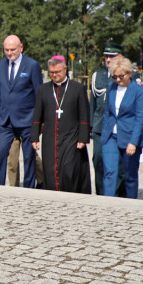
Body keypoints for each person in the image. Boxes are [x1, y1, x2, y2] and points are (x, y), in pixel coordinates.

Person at [31, 56, 91, 193]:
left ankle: (70, 195)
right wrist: (34, 137)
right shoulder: (44, 89)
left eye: (57, 72)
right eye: (51, 72)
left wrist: (83, 138)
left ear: (65, 69)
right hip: (50, 138)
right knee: (51, 170)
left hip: (71, 137)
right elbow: (37, 116)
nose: (54, 75)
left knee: (69, 169)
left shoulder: (77, 88)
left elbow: (84, 115)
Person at [0, 35, 43, 188]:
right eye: (6, 50)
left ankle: (29, 187)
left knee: (29, 157)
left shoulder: (32, 66)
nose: (9, 53)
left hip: (27, 120)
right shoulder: (0, 65)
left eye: (12, 49)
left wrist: (38, 122)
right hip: (6, 121)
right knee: (1, 153)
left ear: (21, 47)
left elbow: (39, 95)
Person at [100, 56, 143, 197]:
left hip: (129, 136)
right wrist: (105, 131)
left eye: (121, 76)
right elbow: (108, 112)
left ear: (129, 73)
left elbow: (140, 119)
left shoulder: (139, 91)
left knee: (130, 175)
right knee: (110, 172)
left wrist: (133, 142)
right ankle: (108, 203)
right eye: (114, 77)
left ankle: (130, 203)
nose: (118, 80)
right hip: (110, 137)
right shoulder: (111, 87)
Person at [90, 42, 125, 195]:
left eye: (112, 56)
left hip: (120, 127)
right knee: (98, 160)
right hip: (100, 126)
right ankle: (101, 193)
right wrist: (89, 127)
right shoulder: (98, 76)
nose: (108, 59)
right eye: (106, 56)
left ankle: (117, 194)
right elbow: (92, 103)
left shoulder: (129, 75)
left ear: (121, 57)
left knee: (119, 164)